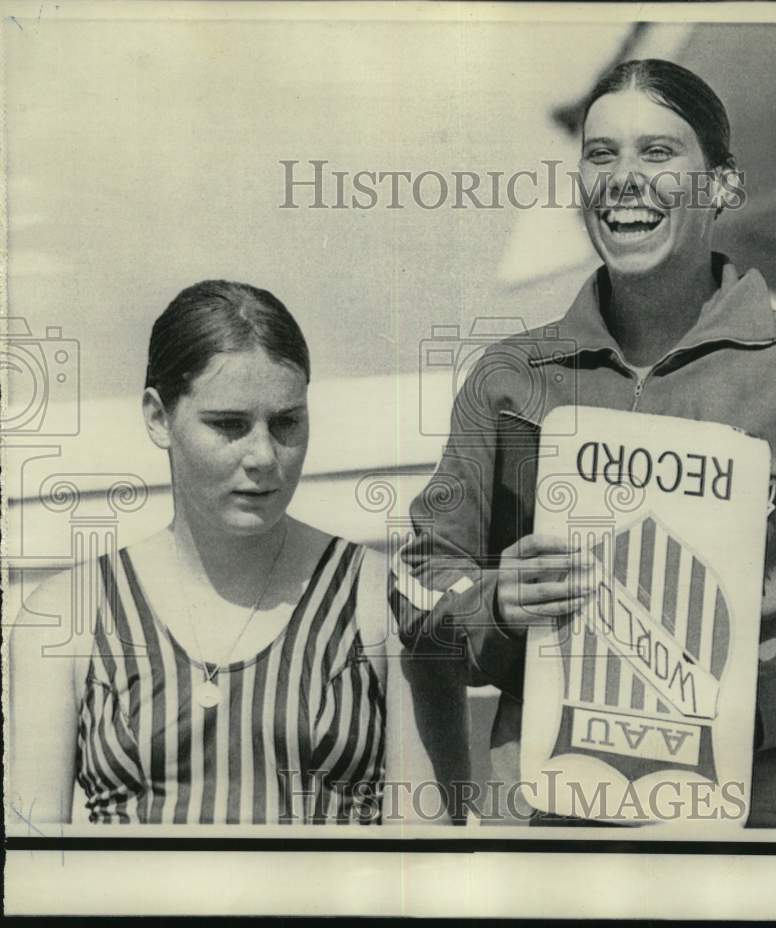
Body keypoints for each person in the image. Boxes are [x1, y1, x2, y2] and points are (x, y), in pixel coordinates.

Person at [391, 59, 776, 828]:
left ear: (723, 185)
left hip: (741, 841)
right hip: (543, 831)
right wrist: (494, 601)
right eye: (602, 155)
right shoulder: (510, 376)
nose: (624, 178)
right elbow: (418, 578)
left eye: (658, 153)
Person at [8, 280, 466, 825]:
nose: (264, 456)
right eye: (229, 425)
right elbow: (34, 860)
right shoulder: (65, 616)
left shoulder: (391, 603)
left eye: (286, 423)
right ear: (158, 417)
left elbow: (429, 857)